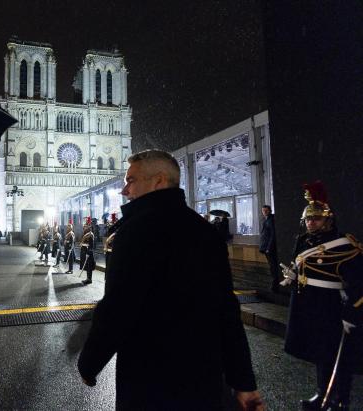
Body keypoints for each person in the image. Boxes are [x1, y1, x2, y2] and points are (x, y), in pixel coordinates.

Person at [77, 149, 263, 410]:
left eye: (131, 180)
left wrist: (90, 363)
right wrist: (243, 382)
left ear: (159, 180)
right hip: (203, 378)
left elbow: (119, 307)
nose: (124, 190)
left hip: (150, 378)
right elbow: (226, 311)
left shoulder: (135, 232)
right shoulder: (205, 232)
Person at [282, 181, 363, 411]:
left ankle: (340, 400)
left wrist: (352, 312)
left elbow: (359, 282)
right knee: (321, 354)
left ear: (328, 220)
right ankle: (322, 394)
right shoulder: (305, 241)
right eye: (308, 219)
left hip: (333, 308)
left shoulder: (344, 245)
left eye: (316, 218)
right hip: (310, 306)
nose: (311, 222)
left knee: (339, 357)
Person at [259, 205, 281, 292]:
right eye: (263, 211)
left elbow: (272, 234)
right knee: (272, 266)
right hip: (266, 247)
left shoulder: (271, 220)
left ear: (270, 211)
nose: (264, 212)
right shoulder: (266, 219)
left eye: (266, 210)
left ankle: (275, 284)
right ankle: (274, 283)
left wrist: (269, 247)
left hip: (269, 248)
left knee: (273, 266)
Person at [79, 217, 96, 285]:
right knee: (87, 266)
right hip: (85, 251)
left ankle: (89, 279)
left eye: (85, 226)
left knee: (89, 266)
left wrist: (88, 252)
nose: (84, 227)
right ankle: (88, 278)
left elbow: (91, 245)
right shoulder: (85, 234)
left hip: (89, 252)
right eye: (84, 225)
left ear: (89, 227)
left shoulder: (90, 234)